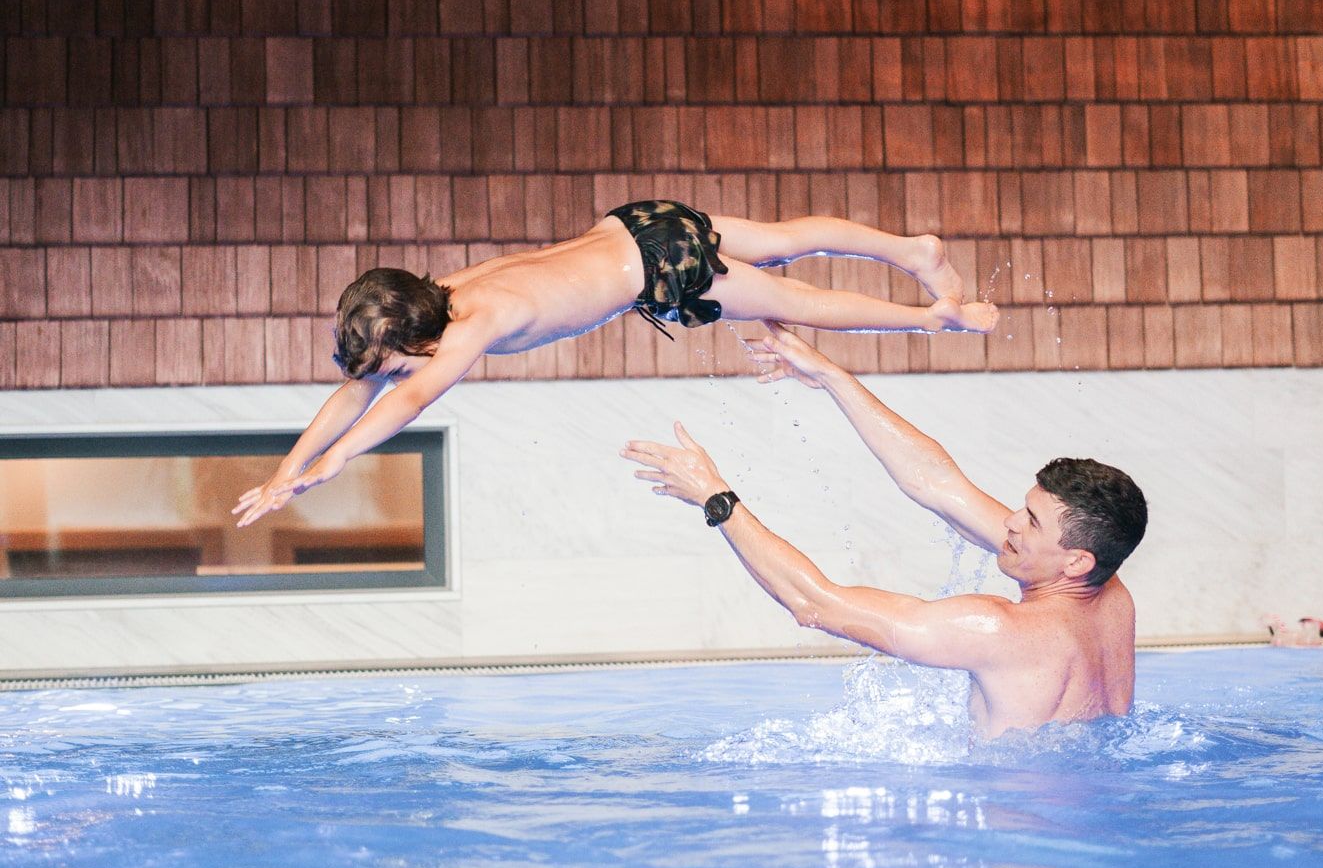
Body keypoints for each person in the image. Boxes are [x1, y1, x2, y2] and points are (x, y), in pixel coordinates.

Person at [232, 202, 998, 527]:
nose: (388, 374)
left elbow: (402, 405)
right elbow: (359, 391)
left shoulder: (475, 321)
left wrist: (329, 467)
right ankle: (909, 251)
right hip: (637, 224)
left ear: (417, 340)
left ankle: (933, 316)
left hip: (659, 269)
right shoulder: (437, 298)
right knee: (783, 236)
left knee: (793, 299)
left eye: (395, 362)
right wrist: (287, 468)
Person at [621, 324, 1148, 740]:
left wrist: (716, 498)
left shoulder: (997, 631)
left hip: (1008, 842)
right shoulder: (1110, 593)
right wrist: (831, 376)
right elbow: (939, 483)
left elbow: (815, 604)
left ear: (1075, 560)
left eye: (1031, 522)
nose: (1008, 522)